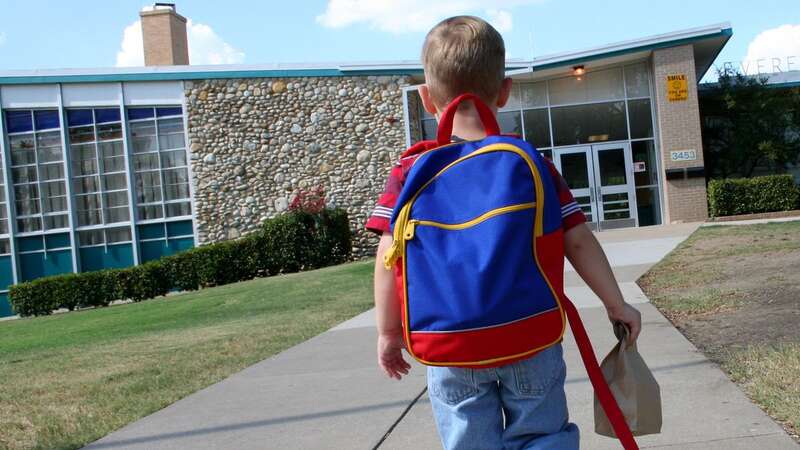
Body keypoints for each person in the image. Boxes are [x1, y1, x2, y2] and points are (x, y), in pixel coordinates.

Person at [365, 15, 642, 450]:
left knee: (469, 441)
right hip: (529, 335)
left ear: (425, 99)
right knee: (543, 436)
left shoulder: (408, 172)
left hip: (450, 342)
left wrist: (388, 333)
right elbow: (578, 240)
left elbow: (388, 257)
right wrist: (616, 303)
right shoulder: (532, 164)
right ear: (506, 90)